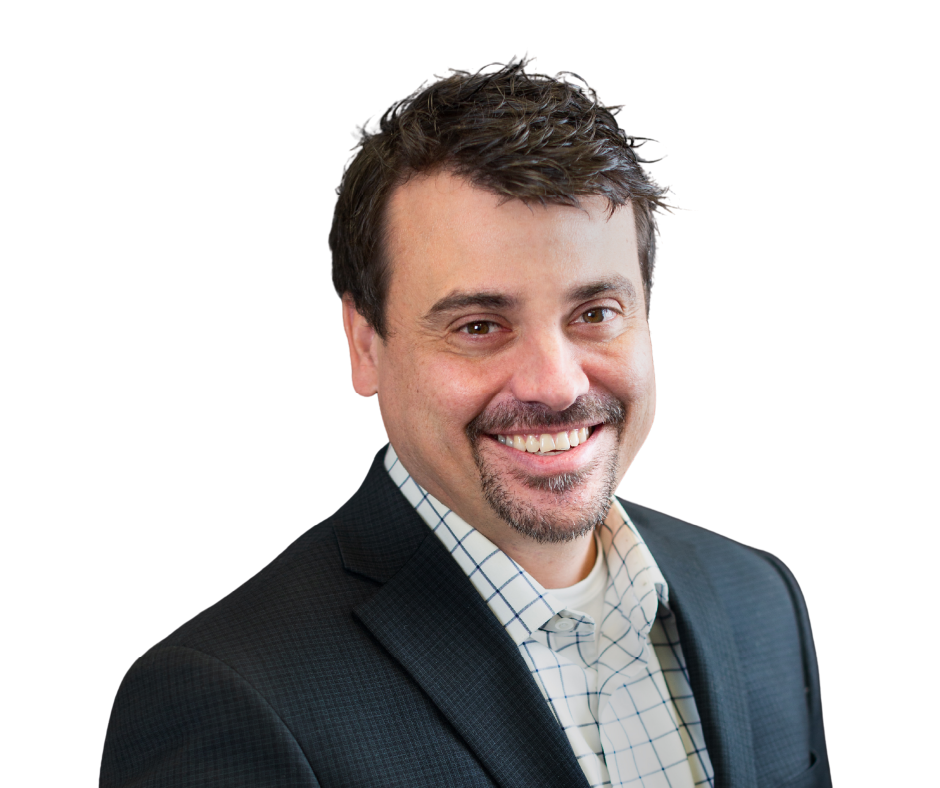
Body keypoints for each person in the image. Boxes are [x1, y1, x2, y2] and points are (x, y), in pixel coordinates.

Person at [100, 61, 830, 788]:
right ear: (365, 344)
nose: (556, 384)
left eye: (595, 314)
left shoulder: (758, 599)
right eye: (480, 325)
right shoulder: (228, 700)